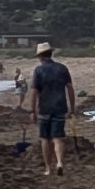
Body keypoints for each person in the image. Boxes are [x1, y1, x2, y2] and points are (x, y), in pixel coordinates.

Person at [27, 42, 75, 177]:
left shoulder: (39, 70)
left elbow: (34, 92)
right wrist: (72, 108)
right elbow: (70, 88)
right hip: (60, 107)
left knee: (45, 139)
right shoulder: (62, 68)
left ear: (40, 56)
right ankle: (60, 163)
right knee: (58, 138)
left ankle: (48, 168)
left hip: (44, 109)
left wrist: (32, 110)